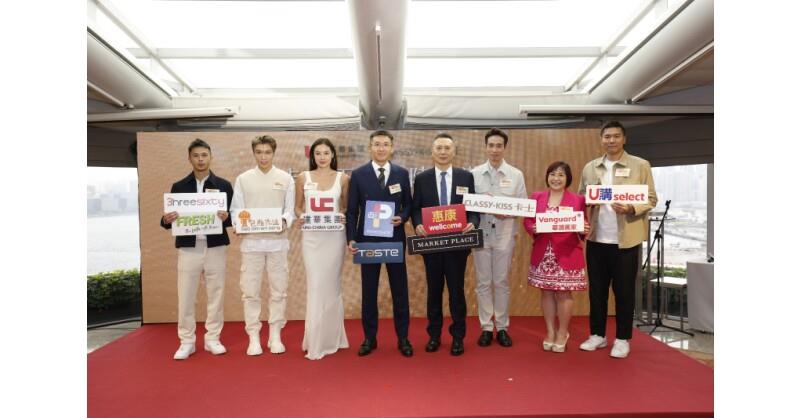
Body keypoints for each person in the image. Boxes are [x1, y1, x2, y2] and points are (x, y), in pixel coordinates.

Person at [577, 121, 657, 358]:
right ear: (601, 139)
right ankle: (597, 335)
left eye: (615, 136)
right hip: (597, 239)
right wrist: (588, 201)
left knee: (624, 292)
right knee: (597, 292)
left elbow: (651, 198)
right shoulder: (591, 167)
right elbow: (581, 197)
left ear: (624, 139)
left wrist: (631, 208)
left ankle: (622, 339)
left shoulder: (640, 165)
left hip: (626, 240)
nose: (611, 140)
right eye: (607, 136)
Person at [160, 139, 233, 360]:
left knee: (216, 294)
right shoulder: (179, 187)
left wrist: (227, 217)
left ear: (210, 157)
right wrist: (166, 219)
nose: (200, 159)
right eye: (196, 156)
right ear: (189, 158)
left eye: (204, 155)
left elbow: (232, 219)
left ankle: (213, 339)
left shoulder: (224, 186)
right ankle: (187, 341)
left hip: (215, 246)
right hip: (189, 248)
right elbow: (168, 221)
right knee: (186, 296)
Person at [346, 130, 414, 357]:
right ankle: (369, 338)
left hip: (394, 240)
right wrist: (351, 237)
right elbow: (352, 210)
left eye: (385, 144)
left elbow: (408, 205)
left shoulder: (402, 174)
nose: (381, 148)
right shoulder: (358, 175)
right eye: (377, 144)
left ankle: (403, 338)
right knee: (369, 291)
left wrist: (402, 217)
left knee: (400, 291)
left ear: (392, 148)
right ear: (370, 147)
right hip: (367, 242)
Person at [412, 132, 480, 356]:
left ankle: (458, 336)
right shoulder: (422, 179)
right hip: (431, 246)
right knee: (433, 292)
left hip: (457, 245)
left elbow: (473, 209)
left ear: (454, 152)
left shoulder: (465, 177)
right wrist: (418, 224)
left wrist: (472, 222)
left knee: (456, 292)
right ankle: (434, 335)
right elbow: (416, 208)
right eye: (439, 148)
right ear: (432, 152)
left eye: (447, 148)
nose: (443, 152)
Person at [230, 135, 296, 356]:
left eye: (267, 152)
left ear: (274, 153)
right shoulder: (243, 179)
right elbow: (236, 210)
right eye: (259, 152)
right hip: (251, 244)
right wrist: (238, 223)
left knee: (279, 291)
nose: (263, 156)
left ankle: (275, 336)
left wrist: (284, 221)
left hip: (278, 243)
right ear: (254, 153)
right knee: (250, 292)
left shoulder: (285, 178)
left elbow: (289, 211)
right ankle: (254, 337)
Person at [523, 162, 590, 353]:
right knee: (546, 292)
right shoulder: (536, 197)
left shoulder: (578, 200)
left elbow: (583, 224)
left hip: (567, 253)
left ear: (568, 178)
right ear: (547, 177)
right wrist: (533, 228)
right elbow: (528, 220)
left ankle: (562, 332)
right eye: (552, 174)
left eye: (561, 175)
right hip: (544, 253)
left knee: (563, 294)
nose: (556, 178)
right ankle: (550, 331)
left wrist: (584, 229)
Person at [470, 128, 527, 348]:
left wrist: (508, 212)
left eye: (499, 146)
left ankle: (502, 327)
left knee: (501, 282)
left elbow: (523, 205)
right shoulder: (474, 174)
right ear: (485, 147)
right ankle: (486, 327)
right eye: (491, 145)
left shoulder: (516, 174)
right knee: (483, 282)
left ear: (505, 148)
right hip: (480, 233)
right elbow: (467, 205)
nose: (494, 150)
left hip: (505, 233)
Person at [294, 137, 350, 360]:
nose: (322, 157)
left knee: (332, 286)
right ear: (312, 156)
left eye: (326, 153)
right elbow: (298, 207)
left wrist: (342, 215)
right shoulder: (302, 177)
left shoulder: (343, 178)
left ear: (333, 155)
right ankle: (316, 341)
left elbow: (345, 207)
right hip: (312, 239)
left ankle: (333, 337)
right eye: (318, 153)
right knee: (316, 285)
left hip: (334, 238)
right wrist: (302, 217)